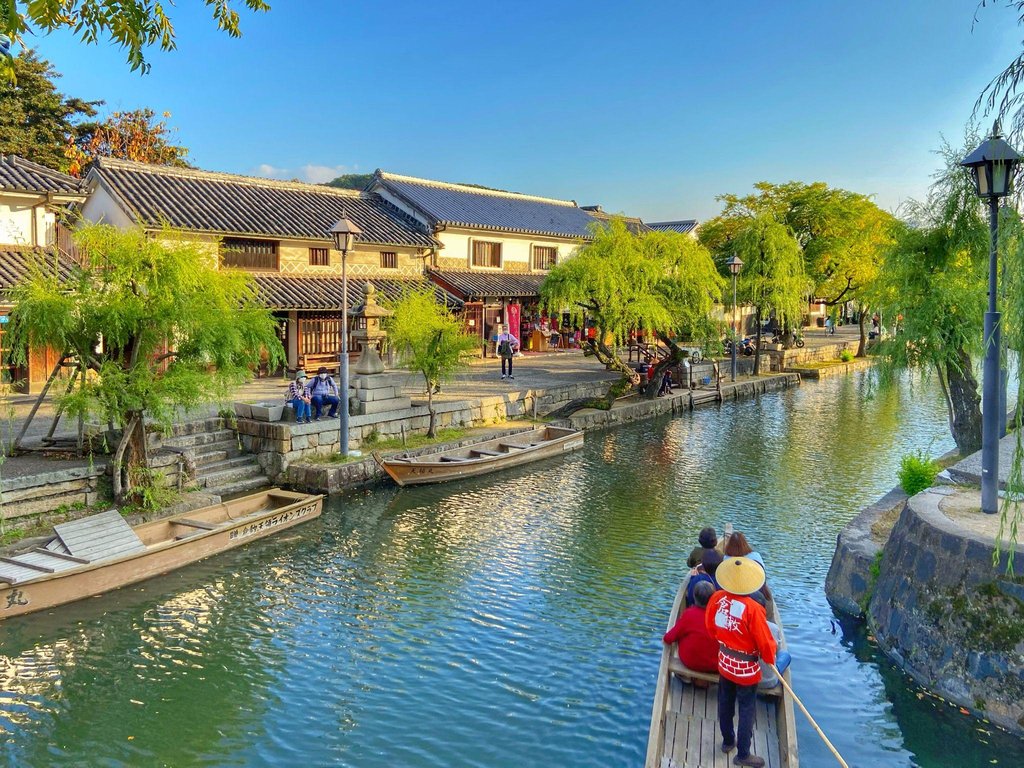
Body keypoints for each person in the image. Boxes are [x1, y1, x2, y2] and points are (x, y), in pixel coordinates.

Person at [706, 557, 777, 768]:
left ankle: (728, 741)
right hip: (746, 669)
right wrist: (770, 658)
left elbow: (711, 627)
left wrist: (725, 641)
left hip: (724, 661)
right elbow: (765, 642)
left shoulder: (717, 598)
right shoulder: (753, 609)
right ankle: (743, 754)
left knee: (725, 701)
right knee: (747, 709)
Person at [663, 580, 719, 674]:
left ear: (694, 597)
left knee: (681, 633)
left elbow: (669, 638)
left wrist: (665, 638)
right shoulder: (720, 616)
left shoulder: (689, 614)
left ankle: (686, 677)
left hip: (690, 662)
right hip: (715, 665)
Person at [748, 591, 792, 691]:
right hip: (768, 681)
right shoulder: (773, 628)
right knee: (785, 655)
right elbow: (776, 651)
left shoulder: (742, 625)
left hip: (745, 678)